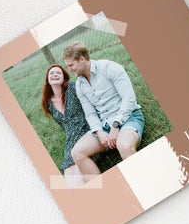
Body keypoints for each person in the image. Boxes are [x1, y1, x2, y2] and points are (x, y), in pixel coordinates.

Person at [62, 42, 146, 179]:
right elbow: (90, 113)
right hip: (104, 126)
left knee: (124, 146)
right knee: (76, 152)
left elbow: (129, 98)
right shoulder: (79, 85)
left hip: (128, 118)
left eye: (71, 65)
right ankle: (102, 189)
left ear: (82, 59)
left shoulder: (109, 67)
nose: (69, 69)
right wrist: (99, 131)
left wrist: (116, 125)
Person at [40, 63, 88, 188]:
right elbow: (62, 125)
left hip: (86, 132)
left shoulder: (73, 88)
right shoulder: (48, 103)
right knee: (68, 181)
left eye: (58, 73)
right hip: (71, 140)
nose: (55, 74)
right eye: (51, 73)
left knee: (78, 178)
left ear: (64, 77)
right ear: (48, 79)